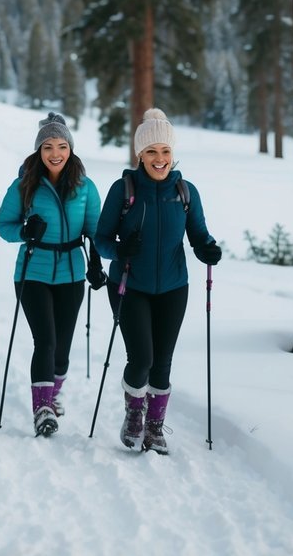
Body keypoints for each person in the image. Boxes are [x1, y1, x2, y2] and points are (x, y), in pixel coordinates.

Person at [94, 107, 222, 455]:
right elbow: (101, 239)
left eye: (165, 151)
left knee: (162, 361)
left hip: (173, 287)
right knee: (142, 359)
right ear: (140, 154)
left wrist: (208, 249)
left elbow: (198, 235)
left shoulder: (184, 191)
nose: (160, 158)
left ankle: (154, 427)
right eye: (152, 151)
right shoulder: (124, 190)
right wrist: (120, 249)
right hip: (128, 285)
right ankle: (134, 414)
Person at [0, 111, 101, 437]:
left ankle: (53, 393)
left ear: (70, 149)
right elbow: (5, 226)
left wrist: (96, 264)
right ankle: (42, 408)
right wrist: (26, 230)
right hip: (33, 272)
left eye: (61, 146)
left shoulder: (85, 187)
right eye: (47, 147)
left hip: (71, 272)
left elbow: (95, 231)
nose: (55, 153)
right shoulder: (24, 185)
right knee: (45, 340)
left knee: (62, 349)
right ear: (38, 151)